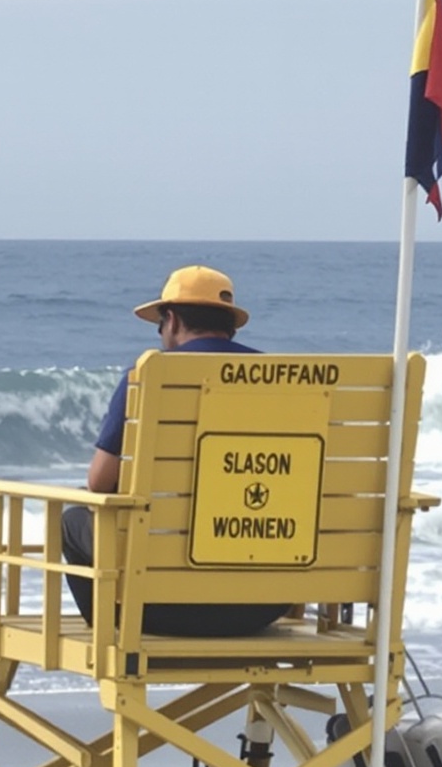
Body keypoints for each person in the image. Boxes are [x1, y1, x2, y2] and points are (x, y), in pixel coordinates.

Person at [60, 266, 289, 637]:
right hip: (264, 607)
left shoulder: (147, 374)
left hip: (159, 610)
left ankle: (109, 626)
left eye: (160, 323)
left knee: (73, 520)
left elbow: (100, 481)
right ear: (230, 326)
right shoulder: (284, 381)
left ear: (173, 319)